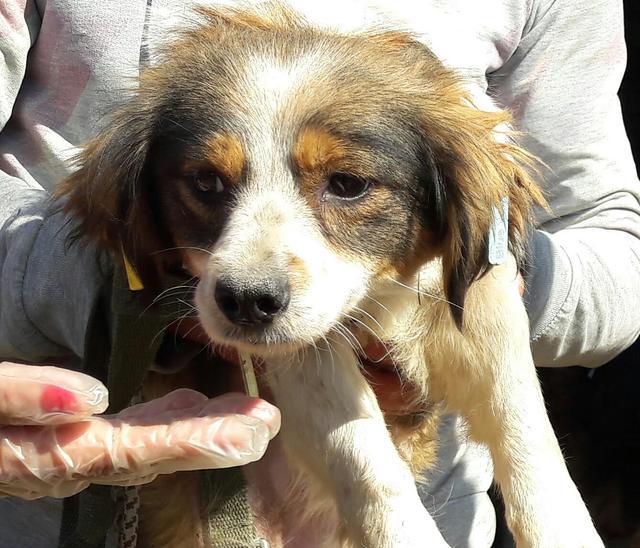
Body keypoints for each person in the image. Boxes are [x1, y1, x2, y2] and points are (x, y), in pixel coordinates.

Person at [1, 0, 638, 546]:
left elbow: (609, 248)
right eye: (206, 182)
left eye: (347, 182)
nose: (254, 272)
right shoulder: (150, 158)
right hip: (81, 503)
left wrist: (471, 286)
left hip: (437, 506)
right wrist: (116, 291)